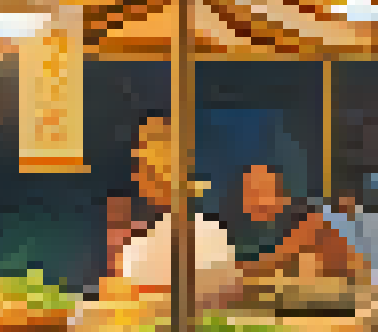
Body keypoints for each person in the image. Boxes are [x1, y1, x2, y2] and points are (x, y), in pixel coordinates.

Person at [117, 115, 240, 304]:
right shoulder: (139, 246)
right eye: (140, 164)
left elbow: (216, 295)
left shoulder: (209, 235)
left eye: (146, 167)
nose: (138, 176)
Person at [229, 164, 361, 281]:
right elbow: (245, 273)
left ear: (281, 196)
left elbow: (352, 266)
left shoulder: (309, 221)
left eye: (266, 191)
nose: (259, 200)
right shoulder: (242, 237)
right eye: (252, 193)